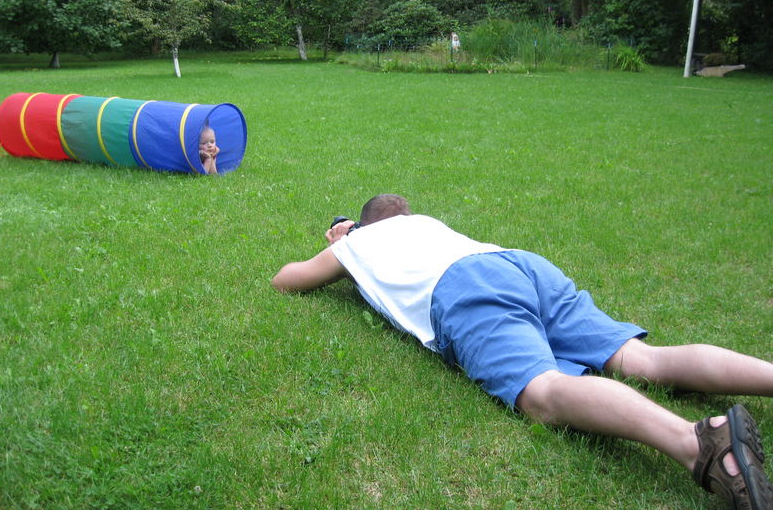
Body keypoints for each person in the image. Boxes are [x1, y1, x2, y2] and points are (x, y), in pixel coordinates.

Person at [272, 194, 773, 510]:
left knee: (544, 392)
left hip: (462, 288)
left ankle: (701, 445)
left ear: (362, 223)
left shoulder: (356, 244)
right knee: (642, 360)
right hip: (515, 263)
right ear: (405, 212)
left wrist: (338, 241)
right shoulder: (425, 223)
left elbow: (285, 282)